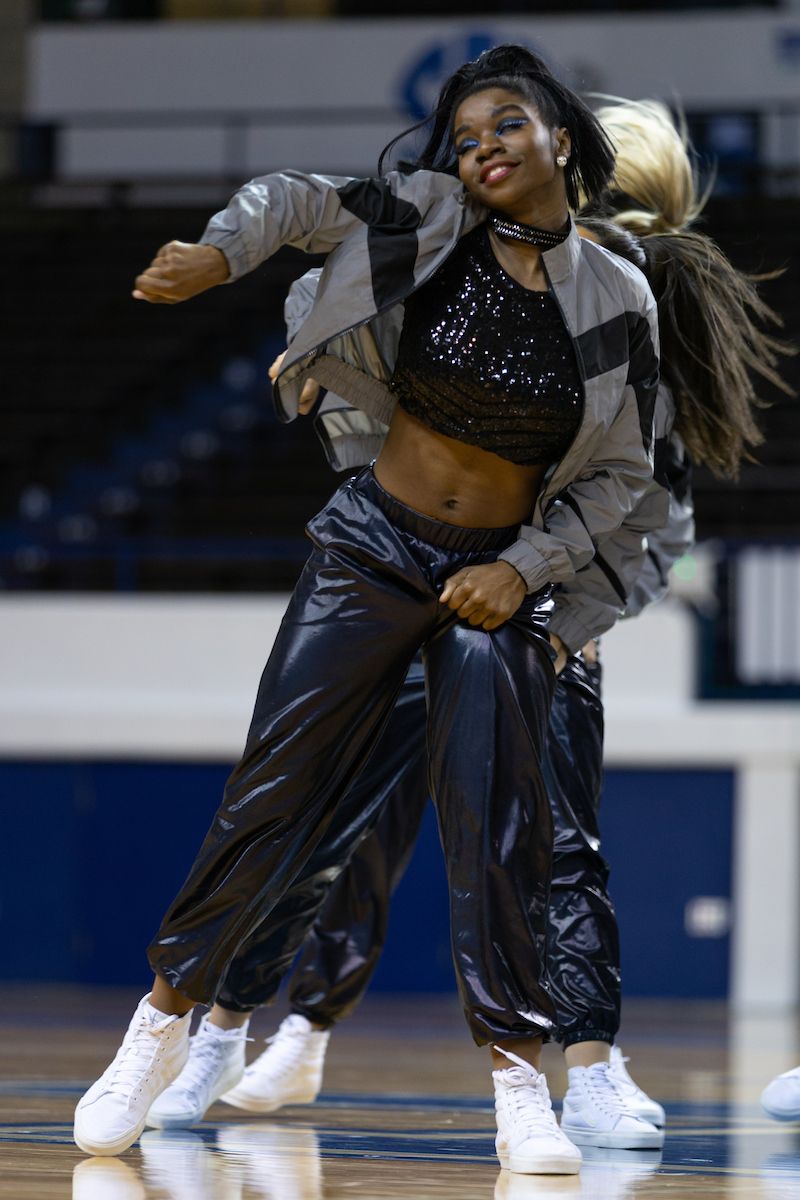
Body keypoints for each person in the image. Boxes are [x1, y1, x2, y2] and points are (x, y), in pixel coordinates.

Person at [140, 99, 792, 1152]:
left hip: (532, 606)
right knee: (328, 820)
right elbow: (344, 322)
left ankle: (586, 1068)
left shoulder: (622, 308)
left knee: (552, 847)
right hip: (410, 571)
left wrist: (568, 619)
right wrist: (323, 355)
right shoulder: (444, 268)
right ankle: (245, 1024)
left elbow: (651, 507)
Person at [74, 46, 662, 1175]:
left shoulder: (615, 293)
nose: (480, 145)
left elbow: (616, 476)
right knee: (270, 796)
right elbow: (295, 200)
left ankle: (516, 1084)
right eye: (465, 132)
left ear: (559, 139)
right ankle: (157, 1030)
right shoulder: (423, 218)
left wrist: (526, 565)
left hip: (494, 581)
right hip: (373, 549)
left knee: (493, 831)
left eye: (505, 125)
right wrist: (218, 252)